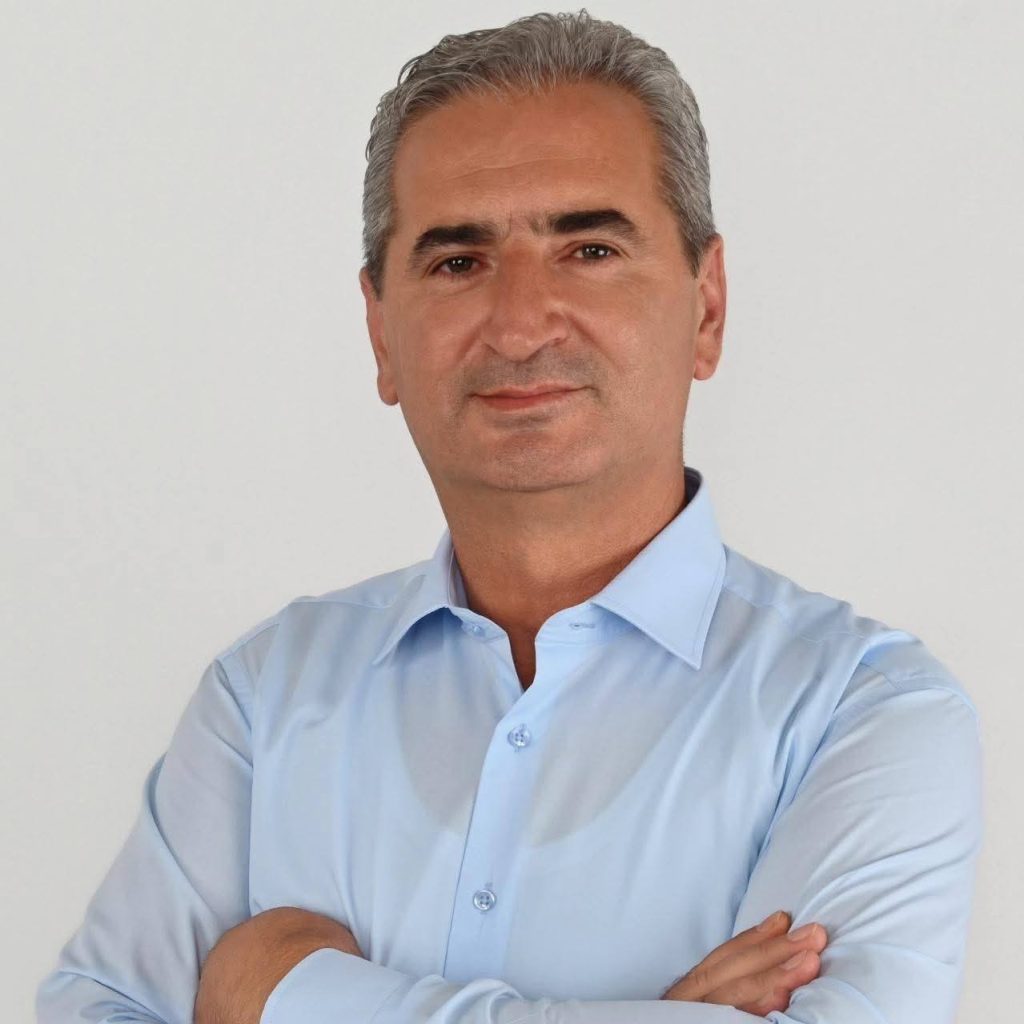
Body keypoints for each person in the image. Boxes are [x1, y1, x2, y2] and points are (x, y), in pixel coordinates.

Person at [36, 10, 982, 1024]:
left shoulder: (859, 713)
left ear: (707, 307)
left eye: (589, 249)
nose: (523, 324)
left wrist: (279, 990)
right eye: (458, 262)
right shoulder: (265, 702)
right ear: (381, 333)